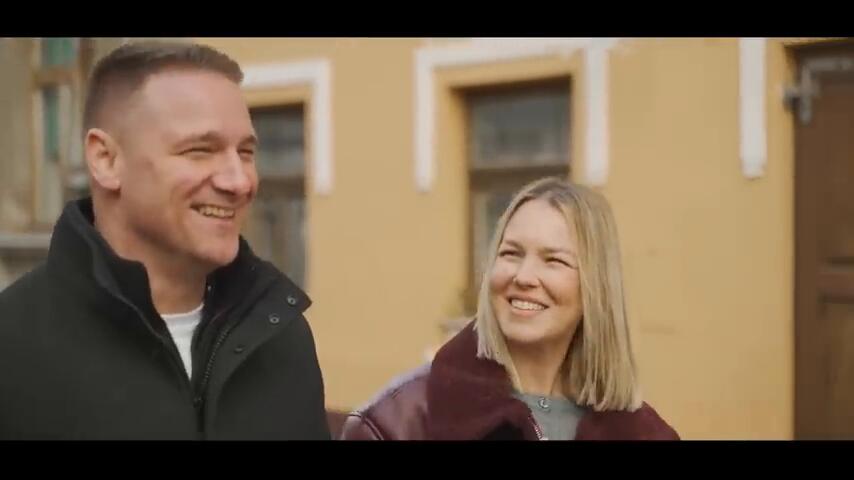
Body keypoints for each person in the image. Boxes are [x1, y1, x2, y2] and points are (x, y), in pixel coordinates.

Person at [0, 41, 330, 440]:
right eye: (200, 150)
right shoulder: (13, 349)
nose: (239, 181)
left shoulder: (283, 338)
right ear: (106, 160)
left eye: (246, 152)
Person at [340, 177, 679, 440]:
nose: (523, 276)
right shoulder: (400, 422)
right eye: (511, 254)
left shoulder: (641, 431)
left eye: (554, 260)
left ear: (598, 287)